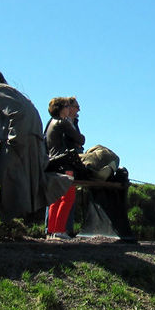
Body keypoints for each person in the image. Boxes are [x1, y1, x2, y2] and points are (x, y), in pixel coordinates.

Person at [0, 68, 72, 220]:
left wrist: (12, 143)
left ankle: (5, 225)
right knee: (19, 190)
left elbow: (20, 114)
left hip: (17, 149)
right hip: (22, 148)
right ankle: (1, 224)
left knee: (15, 191)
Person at [44, 97, 85, 239]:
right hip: (65, 164)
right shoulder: (62, 122)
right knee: (68, 197)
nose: (69, 108)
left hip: (52, 163)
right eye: (67, 106)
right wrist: (79, 139)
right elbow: (80, 139)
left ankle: (51, 230)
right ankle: (60, 230)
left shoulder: (50, 123)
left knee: (55, 198)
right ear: (61, 108)